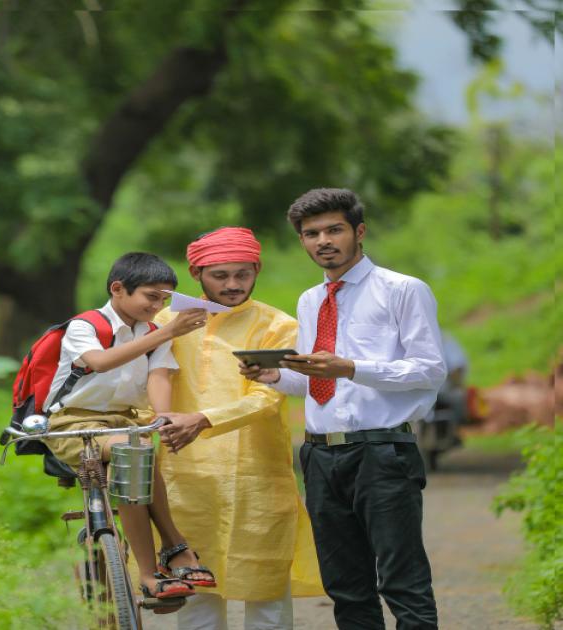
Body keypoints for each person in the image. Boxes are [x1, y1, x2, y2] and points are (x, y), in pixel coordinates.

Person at [243, 188, 445, 629]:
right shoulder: (310, 300)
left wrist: (352, 367)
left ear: (359, 231)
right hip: (320, 455)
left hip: (383, 451)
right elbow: (321, 380)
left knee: (402, 579)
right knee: (345, 584)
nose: (323, 241)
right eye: (310, 233)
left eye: (334, 229)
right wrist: (277, 375)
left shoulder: (402, 290)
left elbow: (430, 370)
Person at [151, 227, 323, 630]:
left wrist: (204, 419)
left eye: (243, 274)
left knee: (265, 590)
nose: (233, 285)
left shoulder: (277, 326)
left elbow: (267, 399)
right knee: (196, 592)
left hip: (256, 478)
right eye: (221, 275)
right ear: (197, 273)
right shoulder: (165, 321)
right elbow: (145, 382)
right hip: (184, 476)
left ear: (257, 270)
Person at [43, 252, 216, 603]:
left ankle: (166, 554)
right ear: (118, 289)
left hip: (125, 420)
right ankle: (161, 561)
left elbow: (159, 377)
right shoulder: (86, 326)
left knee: (136, 452)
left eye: (164, 300)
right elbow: (100, 362)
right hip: (74, 423)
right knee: (134, 451)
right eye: (151, 297)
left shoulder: (152, 333)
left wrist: (164, 418)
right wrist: (168, 330)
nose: (157, 306)